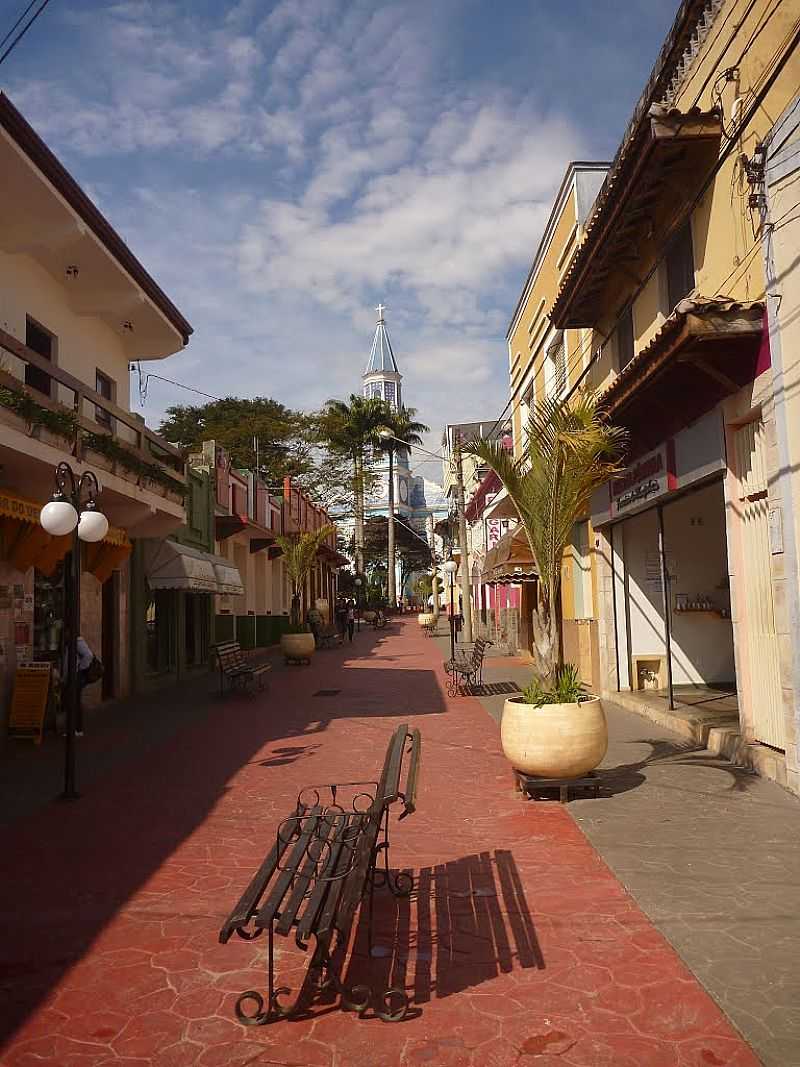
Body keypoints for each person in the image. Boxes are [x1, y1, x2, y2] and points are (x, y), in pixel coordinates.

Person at [62, 635, 95, 736]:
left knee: (73, 701)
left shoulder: (77, 641)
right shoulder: (69, 641)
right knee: (72, 701)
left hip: (75, 677)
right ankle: (75, 728)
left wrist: (79, 669)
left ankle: (76, 729)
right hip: (71, 677)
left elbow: (88, 655)